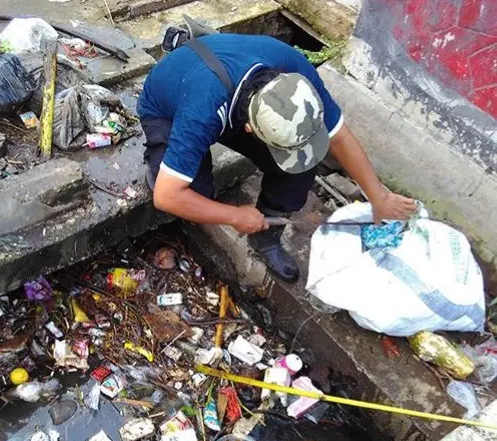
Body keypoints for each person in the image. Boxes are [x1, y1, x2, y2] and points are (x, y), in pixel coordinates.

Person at [137, 31, 417, 282]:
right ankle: (159, 163)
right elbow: (167, 196)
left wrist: (379, 197)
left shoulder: (295, 77)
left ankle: (265, 240)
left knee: (302, 164)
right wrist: (234, 216)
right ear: (249, 130)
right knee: (195, 192)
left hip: (229, 92)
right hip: (168, 105)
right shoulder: (202, 112)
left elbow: (339, 136)